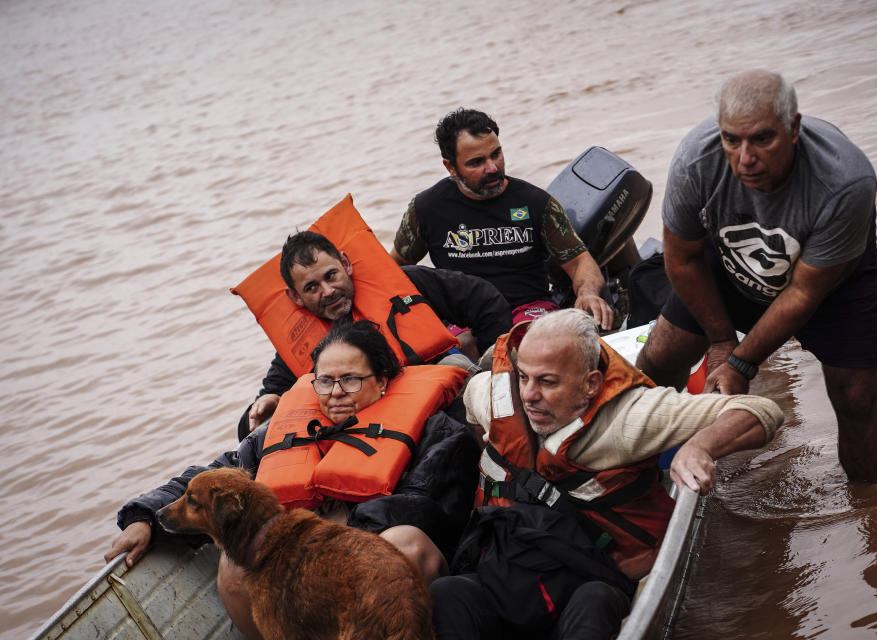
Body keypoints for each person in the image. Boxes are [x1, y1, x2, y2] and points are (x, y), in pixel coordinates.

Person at [106, 321, 481, 640]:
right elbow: (215, 477)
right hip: (312, 580)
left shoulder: (438, 430)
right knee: (235, 567)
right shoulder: (286, 433)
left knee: (403, 543)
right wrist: (144, 517)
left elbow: (429, 508)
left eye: (350, 380)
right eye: (325, 381)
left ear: (382, 381)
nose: (335, 393)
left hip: (390, 582)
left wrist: (330, 533)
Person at [430, 309, 784, 639]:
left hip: (589, 577)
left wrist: (699, 447)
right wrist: (496, 450)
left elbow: (760, 411)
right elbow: (471, 405)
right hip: (509, 571)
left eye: (548, 382)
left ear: (591, 384)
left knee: (595, 601)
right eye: (524, 377)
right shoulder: (495, 398)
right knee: (447, 593)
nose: (530, 395)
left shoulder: (631, 417)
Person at [634, 69, 877, 482]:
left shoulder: (846, 181)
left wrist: (741, 361)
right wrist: (721, 339)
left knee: (857, 396)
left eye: (762, 139)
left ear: (793, 128)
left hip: (829, 281)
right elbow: (682, 258)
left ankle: (876, 504)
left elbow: (804, 293)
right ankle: (634, 473)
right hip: (730, 257)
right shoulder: (696, 161)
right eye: (731, 140)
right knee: (660, 356)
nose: (745, 158)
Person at [240, 229, 512, 438]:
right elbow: (261, 405)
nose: (328, 291)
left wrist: (497, 356)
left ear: (345, 264)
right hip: (383, 429)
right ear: (295, 297)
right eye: (311, 287)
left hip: (446, 395)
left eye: (331, 275)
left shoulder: (407, 283)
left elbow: (486, 302)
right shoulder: (300, 345)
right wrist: (265, 403)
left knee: (465, 368)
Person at [390, 107, 615, 331]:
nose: (492, 167)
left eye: (496, 154)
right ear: (451, 167)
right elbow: (395, 267)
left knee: (529, 336)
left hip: (528, 312)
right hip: (462, 320)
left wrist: (587, 294)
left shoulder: (536, 203)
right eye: (476, 162)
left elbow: (579, 262)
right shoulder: (426, 208)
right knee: (456, 348)